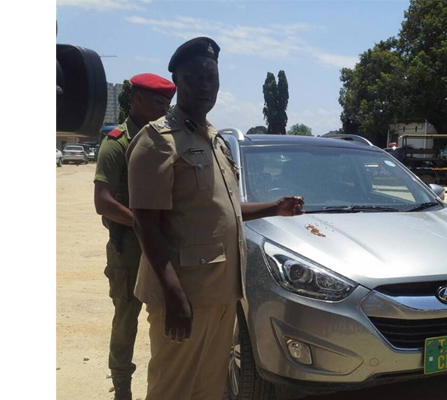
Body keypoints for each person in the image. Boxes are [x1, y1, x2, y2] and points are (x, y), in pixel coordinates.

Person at [126, 37, 305, 400]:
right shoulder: (158, 141)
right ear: (177, 81)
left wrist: (274, 207)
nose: (205, 85)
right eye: (195, 77)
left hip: (221, 292)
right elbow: (145, 223)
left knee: (209, 388)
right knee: (173, 389)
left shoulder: (214, 140)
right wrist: (173, 294)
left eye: (212, 77)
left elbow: (221, 208)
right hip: (185, 294)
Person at [94, 73, 176, 400]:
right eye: (158, 102)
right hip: (128, 249)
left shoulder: (165, 141)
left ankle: (168, 385)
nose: (164, 109)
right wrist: (144, 226)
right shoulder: (117, 143)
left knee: (169, 316)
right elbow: (103, 202)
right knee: (126, 320)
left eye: (167, 103)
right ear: (137, 99)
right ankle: (123, 389)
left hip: (165, 246)